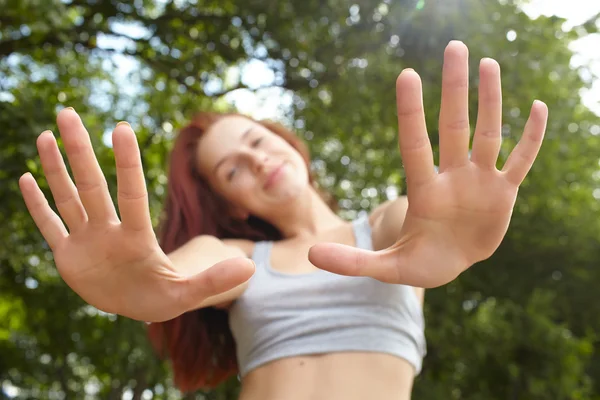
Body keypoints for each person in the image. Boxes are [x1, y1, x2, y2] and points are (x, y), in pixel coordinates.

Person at [19, 41, 547, 400]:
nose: (256, 161)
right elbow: (176, 273)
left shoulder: (385, 231)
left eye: (256, 141)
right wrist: (150, 285)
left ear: (286, 143)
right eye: (232, 170)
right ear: (233, 206)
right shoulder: (240, 257)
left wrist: (455, 229)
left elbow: (418, 222)